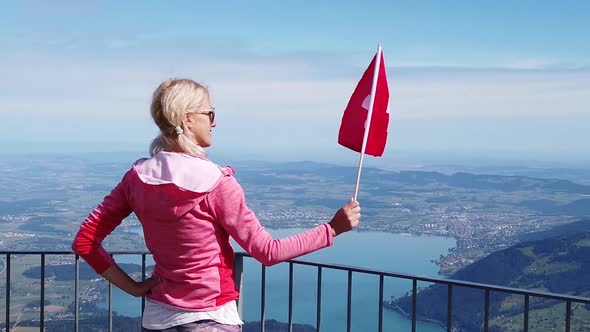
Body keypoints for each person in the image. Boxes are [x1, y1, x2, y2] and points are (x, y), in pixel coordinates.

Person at [71, 78, 361, 332]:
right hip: (212, 317)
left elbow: (85, 242)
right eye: (209, 113)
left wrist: (134, 289)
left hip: (157, 318)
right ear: (187, 119)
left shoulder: (136, 179)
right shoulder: (218, 184)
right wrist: (332, 229)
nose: (214, 121)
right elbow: (268, 252)